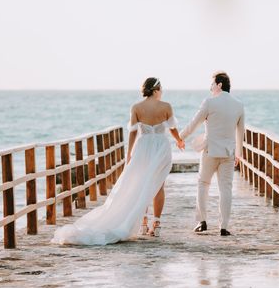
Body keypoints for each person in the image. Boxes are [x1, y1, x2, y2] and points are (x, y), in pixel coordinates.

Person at [51, 77, 184, 245]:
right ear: (156, 89)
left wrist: (129, 153)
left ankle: (142, 222)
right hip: (160, 147)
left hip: (142, 147)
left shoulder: (136, 107)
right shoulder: (166, 106)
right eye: (161, 88)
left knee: (140, 184)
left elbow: (133, 132)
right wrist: (179, 140)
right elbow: (172, 128)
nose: (162, 91)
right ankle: (156, 224)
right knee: (158, 185)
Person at [180, 72, 245, 236]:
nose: (210, 88)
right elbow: (240, 132)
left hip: (210, 151)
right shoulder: (239, 104)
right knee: (226, 189)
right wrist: (239, 154)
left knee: (203, 184)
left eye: (212, 84)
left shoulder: (209, 102)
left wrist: (180, 137)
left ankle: (202, 222)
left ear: (219, 85)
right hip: (228, 153)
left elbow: (194, 123)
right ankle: (223, 227)